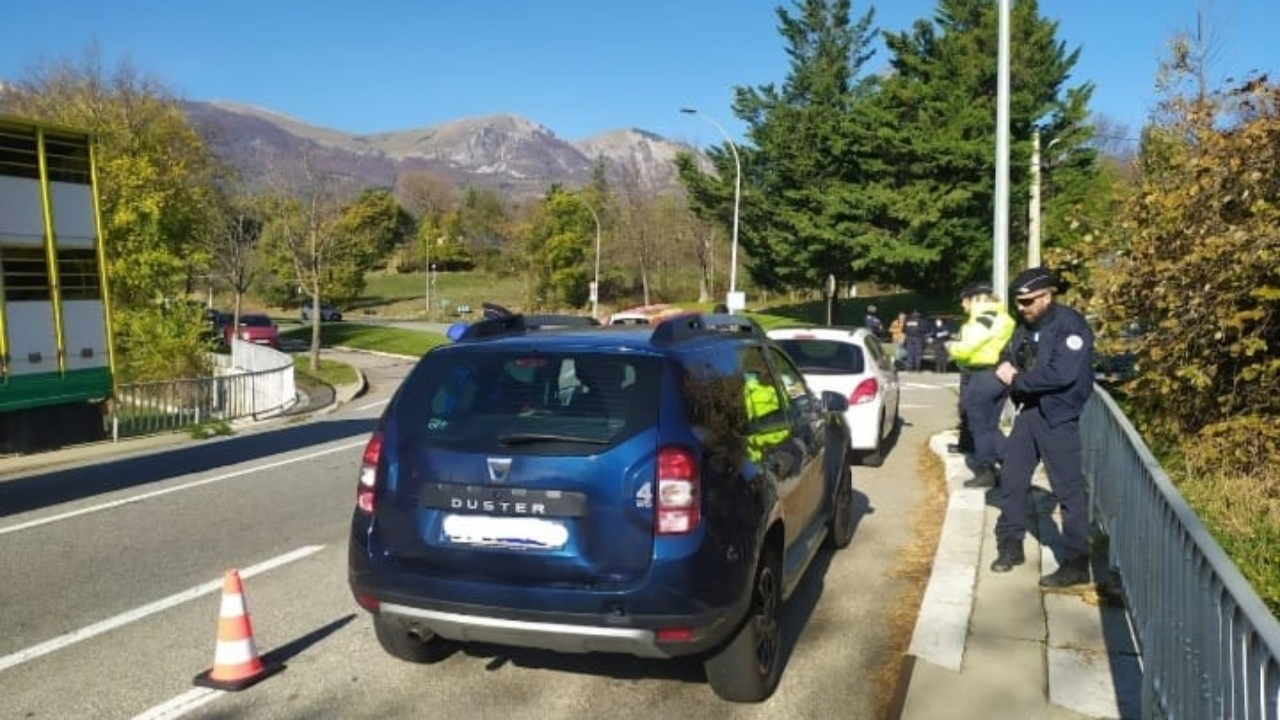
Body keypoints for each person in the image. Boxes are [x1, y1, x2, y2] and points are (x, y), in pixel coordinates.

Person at [990, 267, 1095, 588]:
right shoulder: (1025, 325)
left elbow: (1061, 374)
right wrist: (1003, 364)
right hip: (1030, 411)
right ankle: (1011, 544)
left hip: (1059, 415)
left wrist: (1018, 379)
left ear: (1046, 296)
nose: (1021, 308)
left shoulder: (1070, 325)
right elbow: (1008, 353)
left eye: (1027, 302)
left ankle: (1077, 562)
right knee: (1012, 477)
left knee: (1068, 489)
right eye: (1018, 302)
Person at [946, 281, 1016, 488]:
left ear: (974, 299)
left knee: (980, 427)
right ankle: (1010, 466)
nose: (962, 305)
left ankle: (990, 468)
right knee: (990, 425)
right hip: (996, 374)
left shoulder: (985, 317)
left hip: (984, 374)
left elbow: (968, 347)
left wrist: (952, 347)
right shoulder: (1001, 315)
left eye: (964, 300)